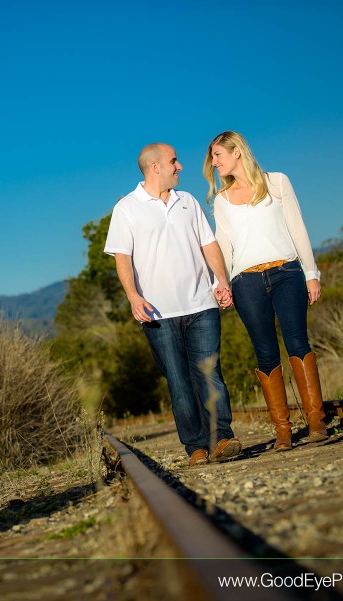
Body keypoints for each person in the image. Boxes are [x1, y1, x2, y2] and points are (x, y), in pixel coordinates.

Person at [104, 143, 241, 466]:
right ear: (155, 168)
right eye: (174, 161)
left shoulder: (188, 202)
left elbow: (209, 245)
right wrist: (133, 296)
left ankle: (223, 437)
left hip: (201, 304)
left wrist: (221, 280)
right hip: (157, 313)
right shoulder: (126, 208)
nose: (180, 167)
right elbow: (122, 258)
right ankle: (195, 446)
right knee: (178, 381)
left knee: (210, 374)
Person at [203, 131, 328, 451]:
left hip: (287, 273)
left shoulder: (278, 183)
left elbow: (297, 227)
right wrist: (222, 284)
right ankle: (283, 431)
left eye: (218, 155)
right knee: (266, 352)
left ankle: (316, 421)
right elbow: (226, 245)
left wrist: (311, 273)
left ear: (237, 153)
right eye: (213, 158)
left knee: (298, 342)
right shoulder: (222, 200)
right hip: (247, 282)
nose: (214, 163)